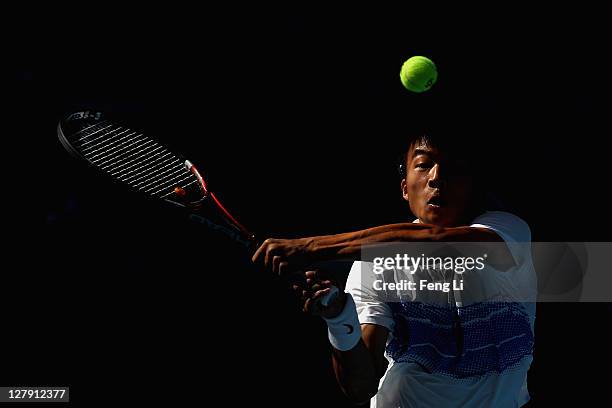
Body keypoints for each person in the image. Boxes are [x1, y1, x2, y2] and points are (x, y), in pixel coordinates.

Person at [252, 125, 537, 407]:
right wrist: (340, 319)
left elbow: (435, 240)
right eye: (424, 165)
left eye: (454, 168)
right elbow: (360, 387)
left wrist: (311, 248)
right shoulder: (376, 263)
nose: (437, 178)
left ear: (472, 186)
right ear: (404, 188)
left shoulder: (507, 231)